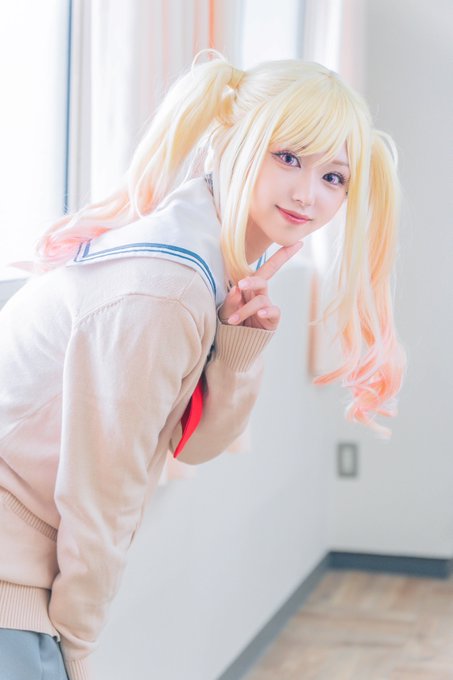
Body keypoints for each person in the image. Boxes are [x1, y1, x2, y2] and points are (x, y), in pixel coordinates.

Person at [0, 49, 406, 679]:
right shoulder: (166, 286)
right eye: (288, 157)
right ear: (234, 143)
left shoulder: (204, 260)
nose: (308, 194)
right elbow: (101, 499)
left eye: (334, 177)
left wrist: (237, 355)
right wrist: (77, 650)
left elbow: (192, 447)